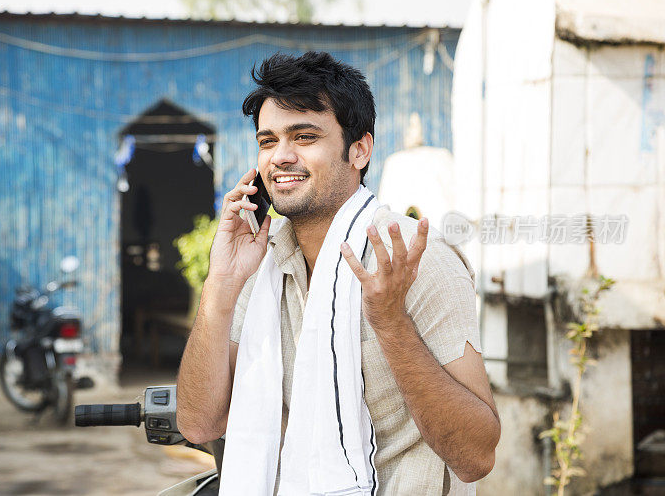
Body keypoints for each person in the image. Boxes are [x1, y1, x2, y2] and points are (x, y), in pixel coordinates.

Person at [176, 51, 500, 495]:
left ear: (359, 149)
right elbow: (198, 422)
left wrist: (390, 320)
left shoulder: (419, 262)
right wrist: (220, 286)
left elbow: (476, 457)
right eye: (268, 141)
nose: (280, 158)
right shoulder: (260, 266)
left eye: (304, 136)